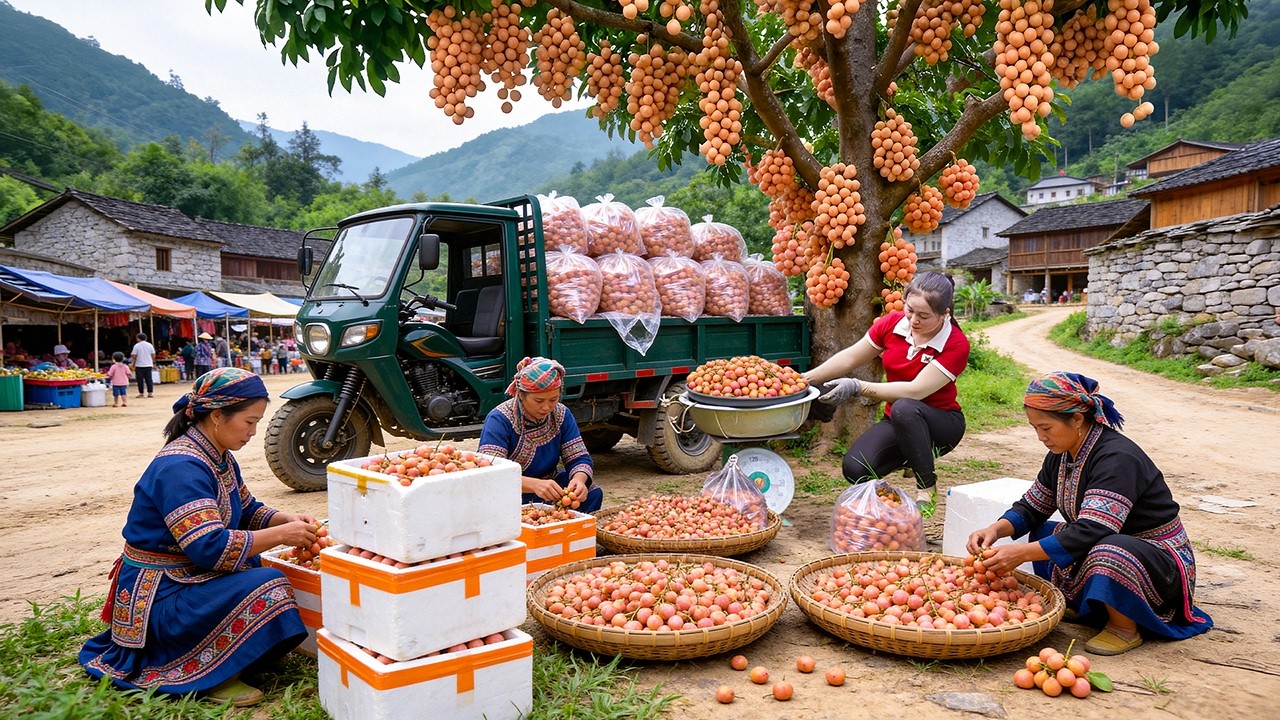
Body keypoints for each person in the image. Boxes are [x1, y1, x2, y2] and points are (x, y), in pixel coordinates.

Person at [79, 368, 318, 706]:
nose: (253, 431)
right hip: (160, 595)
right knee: (267, 583)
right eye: (249, 422)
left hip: (185, 576)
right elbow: (210, 548)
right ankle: (213, 674)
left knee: (256, 564)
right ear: (218, 415)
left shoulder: (219, 456)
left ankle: (233, 654)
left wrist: (287, 519)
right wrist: (283, 534)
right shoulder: (182, 467)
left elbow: (248, 509)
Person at [966, 372, 1213, 655]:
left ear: (1077, 419)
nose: (1040, 437)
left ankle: (1123, 627)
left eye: (1046, 427)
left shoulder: (1117, 458)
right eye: (1035, 428)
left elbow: (1094, 530)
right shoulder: (1062, 454)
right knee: (1047, 534)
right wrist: (995, 529)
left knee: (1108, 551)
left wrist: (1020, 554)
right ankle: (1086, 604)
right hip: (1106, 540)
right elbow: (1034, 506)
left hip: (1156, 559)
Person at [802, 272, 970, 518]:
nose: (913, 320)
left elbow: (916, 390)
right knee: (855, 468)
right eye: (910, 310)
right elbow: (850, 357)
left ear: (945, 314)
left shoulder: (955, 344)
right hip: (898, 421)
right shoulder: (892, 323)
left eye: (924, 316)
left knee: (905, 406)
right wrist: (805, 379)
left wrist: (858, 387)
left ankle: (927, 486)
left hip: (941, 424)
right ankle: (897, 497)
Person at [478, 357, 604, 513]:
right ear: (521, 395)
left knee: (592, 493)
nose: (546, 407)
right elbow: (490, 473)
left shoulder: (561, 414)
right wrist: (534, 485)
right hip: (512, 490)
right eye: (538, 400)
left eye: (553, 399)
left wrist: (579, 479)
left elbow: (578, 457)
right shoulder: (500, 419)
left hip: (549, 486)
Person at [130, 333, 157, 398]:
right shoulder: (150, 345)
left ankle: (141, 393)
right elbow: (153, 354)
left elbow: (134, 355)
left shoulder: (136, 346)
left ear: (138, 338)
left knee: (140, 380)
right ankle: (150, 393)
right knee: (149, 379)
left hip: (139, 365)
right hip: (148, 365)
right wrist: (153, 362)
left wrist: (132, 363)